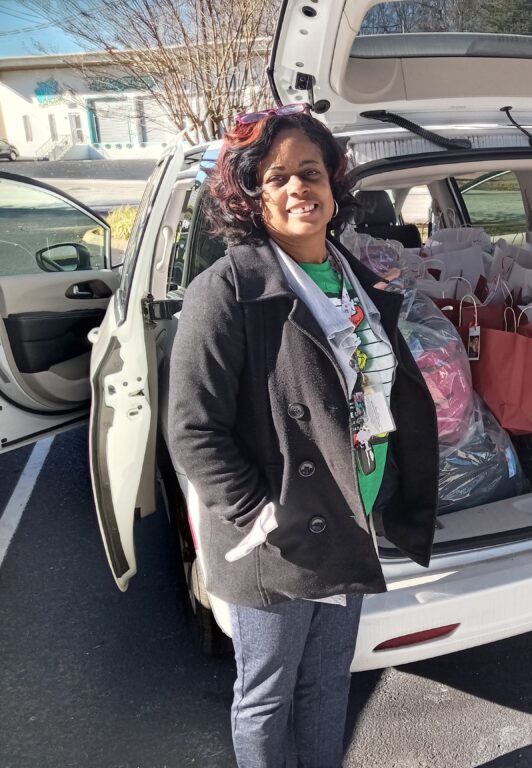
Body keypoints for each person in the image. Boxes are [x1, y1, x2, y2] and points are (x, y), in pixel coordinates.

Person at [167, 104, 439, 768]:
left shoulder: (353, 276)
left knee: (327, 683)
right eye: (277, 177)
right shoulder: (226, 289)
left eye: (310, 173)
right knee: (266, 696)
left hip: (349, 514)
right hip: (279, 535)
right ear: (251, 195)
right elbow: (193, 429)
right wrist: (260, 514)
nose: (298, 189)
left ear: (333, 184)